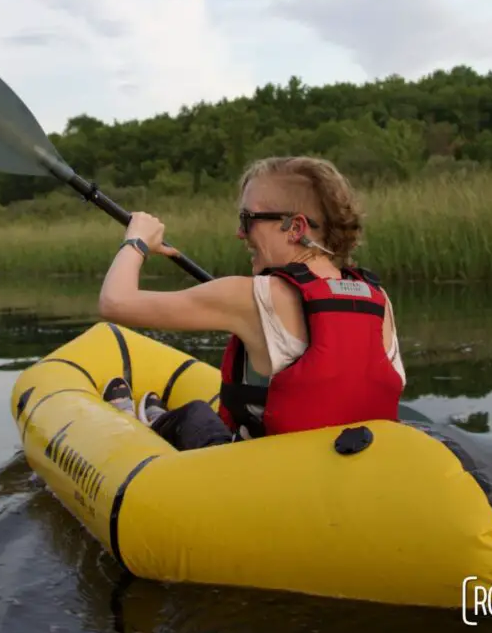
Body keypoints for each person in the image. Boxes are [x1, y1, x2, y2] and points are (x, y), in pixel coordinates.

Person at [97, 155, 405, 450]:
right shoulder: (377, 298)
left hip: (265, 481)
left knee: (194, 416)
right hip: (349, 475)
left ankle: (152, 421)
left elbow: (115, 302)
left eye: (248, 219)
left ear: (295, 228)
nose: (239, 233)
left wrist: (136, 241)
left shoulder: (250, 296)